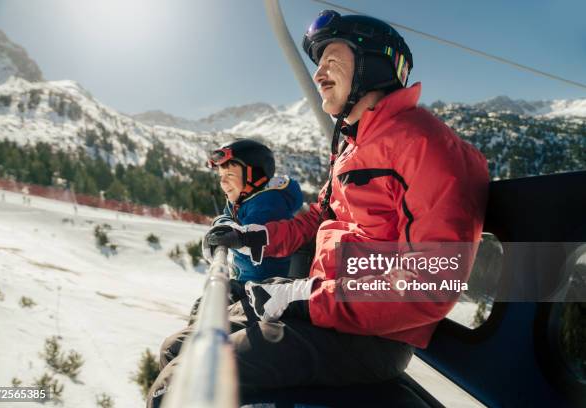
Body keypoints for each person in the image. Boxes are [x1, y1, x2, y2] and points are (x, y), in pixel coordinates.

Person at [147, 10, 489, 407]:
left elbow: (431, 282)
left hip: (369, 338)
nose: (318, 73)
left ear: (373, 64)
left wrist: (306, 300)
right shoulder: (354, 147)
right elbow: (316, 218)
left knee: (182, 382)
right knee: (177, 348)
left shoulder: (427, 145)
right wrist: (255, 236)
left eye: (332, 60)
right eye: (318, 63)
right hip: (324, 310)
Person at [203, 138, 303, 282]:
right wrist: (222, 224)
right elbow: (227, 216)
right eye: (221, 176)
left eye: (230, 175)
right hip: (248, 280)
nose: (223, 182)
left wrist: (228, 236)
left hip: (266, 286)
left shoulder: (267, 203)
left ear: (254, 176)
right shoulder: (241, 200)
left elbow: (250, 249)